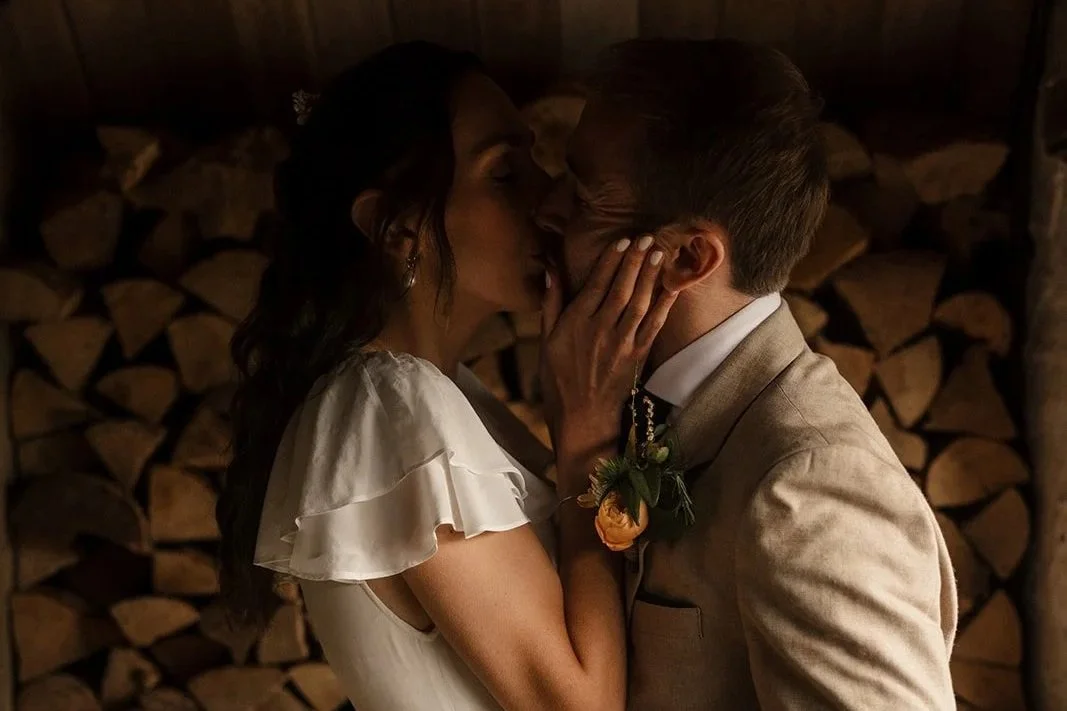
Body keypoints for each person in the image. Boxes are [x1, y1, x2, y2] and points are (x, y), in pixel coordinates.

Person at [215, 41, 674, 711]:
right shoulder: (393, 407)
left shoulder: (441, 394)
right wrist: (584, 443)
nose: (549, 200)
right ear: (398, 230)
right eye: (505, 174)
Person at [536, 38, 958, 710]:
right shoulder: (655, 402)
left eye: (585, 197)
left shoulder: (813, 486)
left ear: (687, 259)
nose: (547, 210)